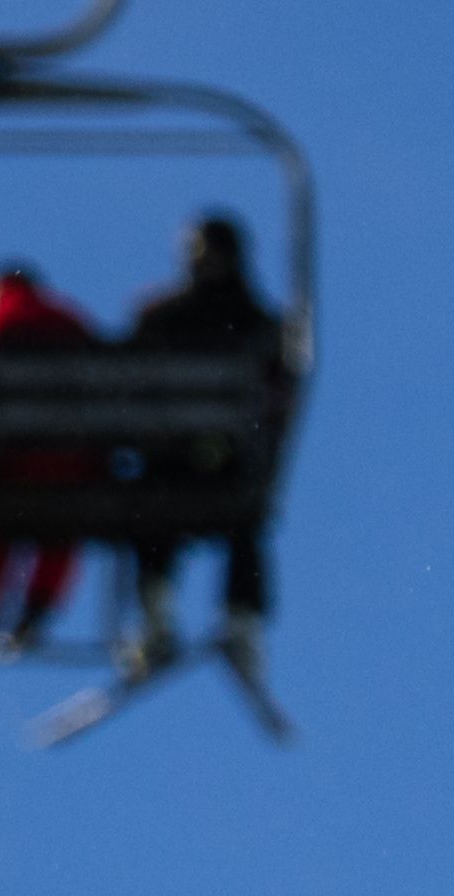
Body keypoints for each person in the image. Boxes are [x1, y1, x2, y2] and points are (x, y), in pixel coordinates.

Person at [113, 210, 282, 688]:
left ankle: (154, 615)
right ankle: (242, 617)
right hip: (222, 464)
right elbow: (276, 397)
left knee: (154, 510)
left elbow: (126, 390)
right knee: (245, 511)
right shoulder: (257, 323)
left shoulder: (159, 316)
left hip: (166, 464)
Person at [0, 253, 99, 652]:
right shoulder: (71, 321)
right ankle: (36, 610)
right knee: (58, 531)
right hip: (66, 465)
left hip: (2, 464)